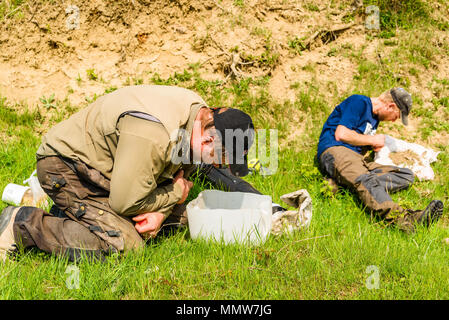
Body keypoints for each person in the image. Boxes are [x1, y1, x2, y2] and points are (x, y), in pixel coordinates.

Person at [0, 85, 256, 262]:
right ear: (209, 142)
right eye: (221, 160)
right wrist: (175, 193)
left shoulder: (200, 118)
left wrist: (160, 213)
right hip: (66, 166)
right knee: (125, 245)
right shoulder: (156, 135)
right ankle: (22, 225)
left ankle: (70, 212)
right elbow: (126, 202)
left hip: (112, 168)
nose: (219, 166)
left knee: (181, 216)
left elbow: (174, 175)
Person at [316, 87, 444, 233]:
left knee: (406, 175)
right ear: (391, 106)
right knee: (365, 180)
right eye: (397, 115)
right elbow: (342, 134)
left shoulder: (374, 119)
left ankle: (342, 184)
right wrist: (372, 139)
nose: (394, 120)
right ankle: (406, 218)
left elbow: (358, 137)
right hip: (336, 151)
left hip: (356, 160)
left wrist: (371, 145)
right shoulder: (359, 102)